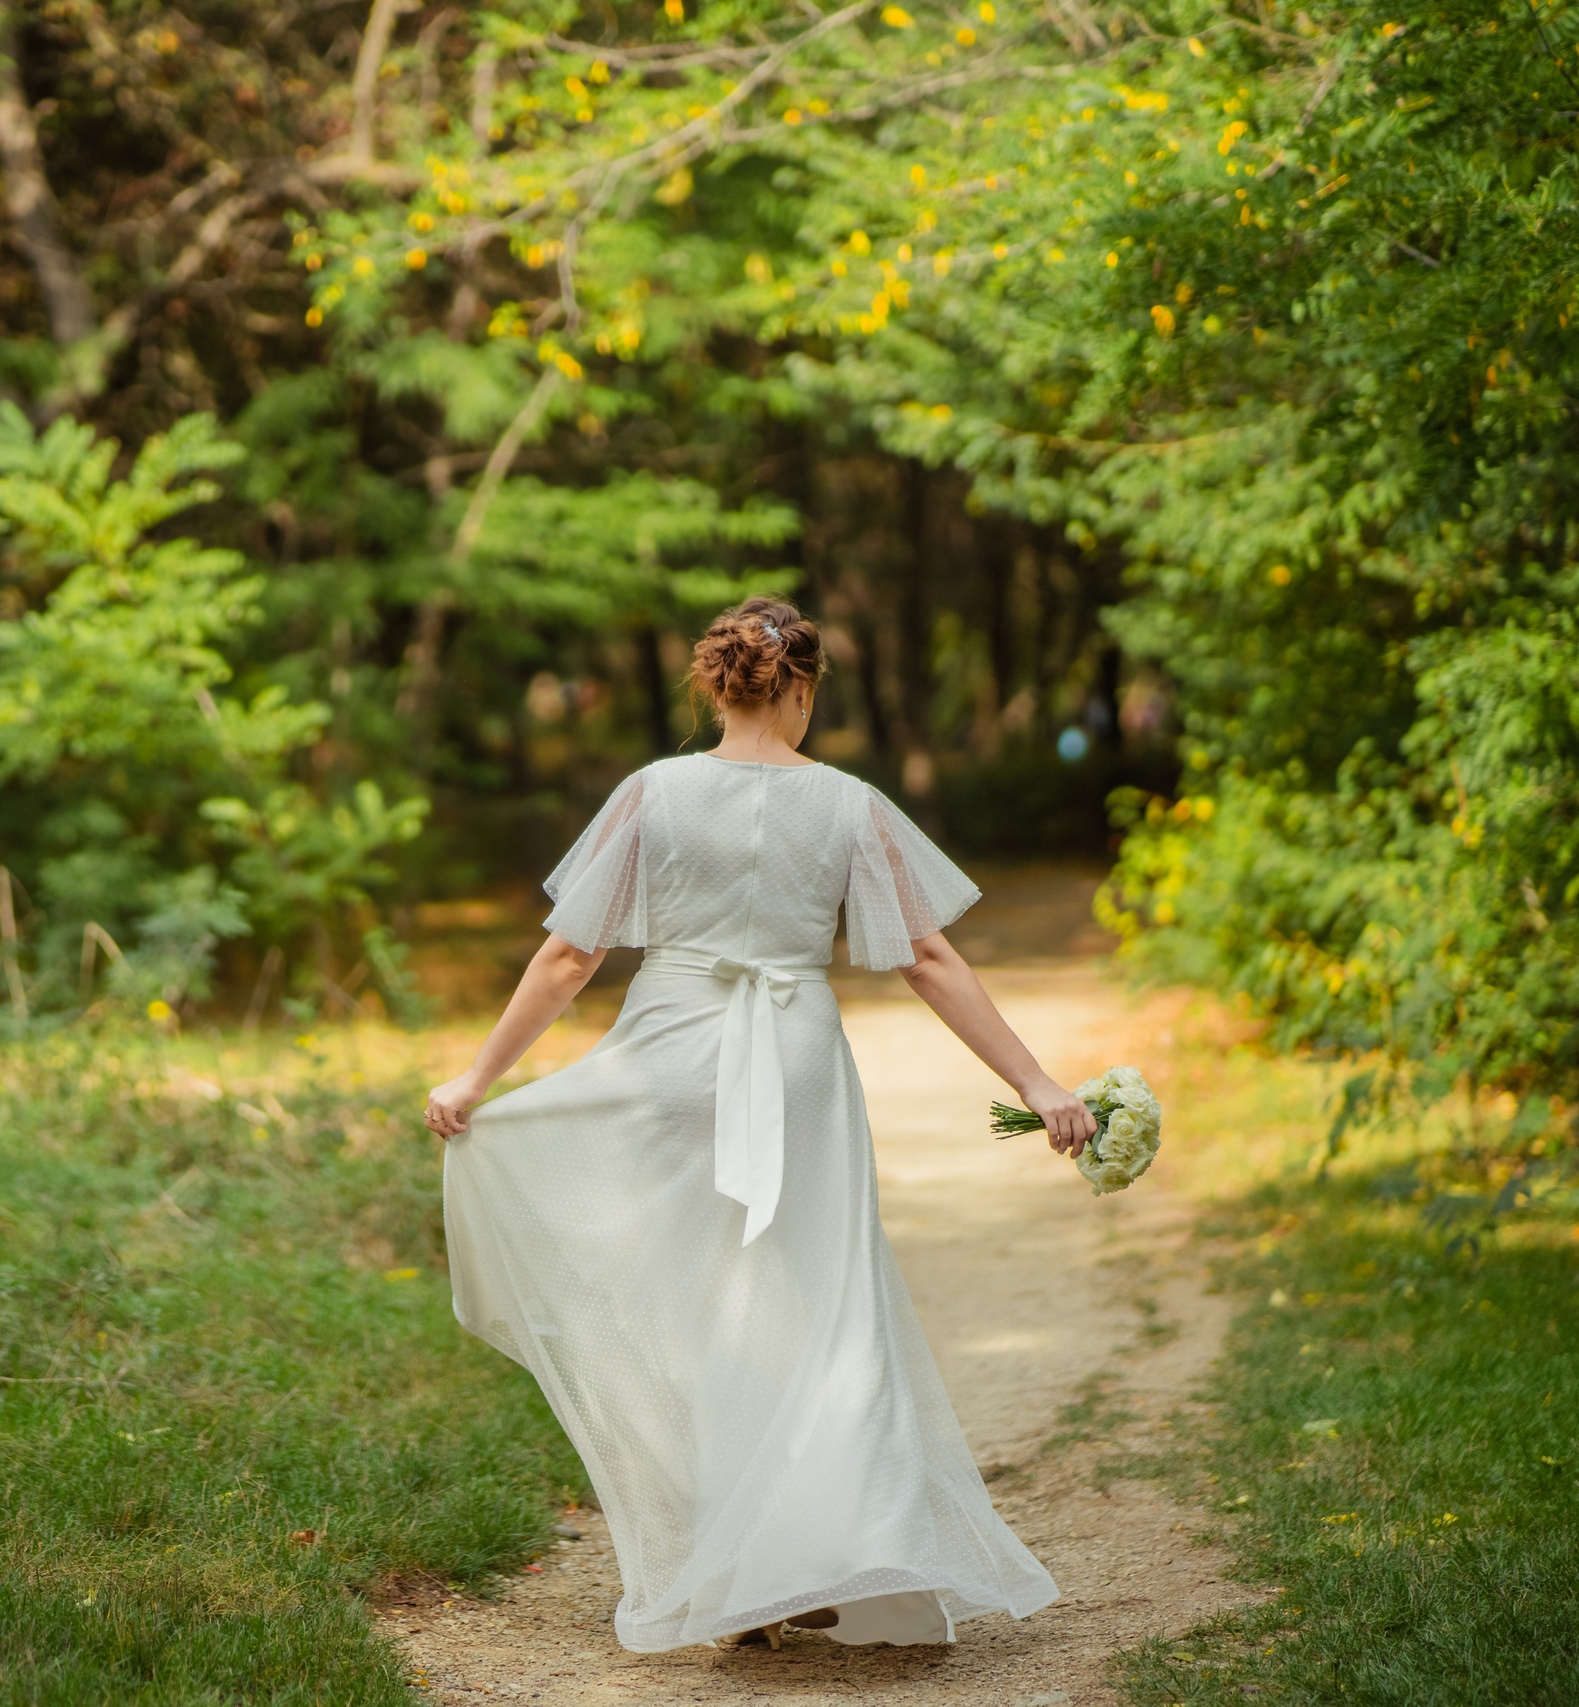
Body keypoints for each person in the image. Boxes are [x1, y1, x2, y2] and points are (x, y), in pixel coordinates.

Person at [423, 596, 1097, 1653]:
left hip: (667, 1055)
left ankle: (740, 1553)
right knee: (822, 1304)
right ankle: (818, 1546)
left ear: (713, 684)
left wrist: (476, 1077)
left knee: (693, 1303)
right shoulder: (847, 805)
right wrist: (1038, 1082)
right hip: (794, 1062)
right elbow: (927, 961)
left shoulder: (649, 793)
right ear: (803, 687)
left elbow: (569, 956)